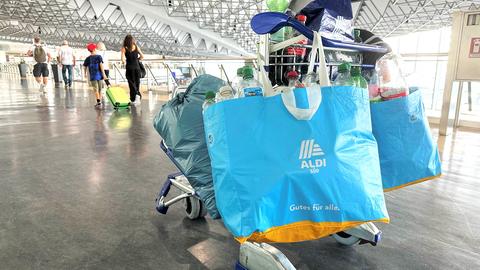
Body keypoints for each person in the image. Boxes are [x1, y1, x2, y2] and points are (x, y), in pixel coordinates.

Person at [121, 34, 144, 104]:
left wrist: (124, 62)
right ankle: (136, 97)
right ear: (132, 40)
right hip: (137, 68)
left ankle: (134, 98)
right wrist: (137, 60)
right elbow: (142, 56)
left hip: (129, 68)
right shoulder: (136, 47)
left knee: (131, 83)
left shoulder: (124, 48)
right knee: (137, 83)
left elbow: (122, 60)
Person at [83, 43, 107, 107]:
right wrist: (104, 74)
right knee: (100, 89)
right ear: (94, 49)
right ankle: (100, 101)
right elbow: (101, 66)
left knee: (95, 89)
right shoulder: (99, 57)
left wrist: (84, 74)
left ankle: (98, 101)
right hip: (99, 75)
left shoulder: (88, 58)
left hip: (93, 76)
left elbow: (84, 66)